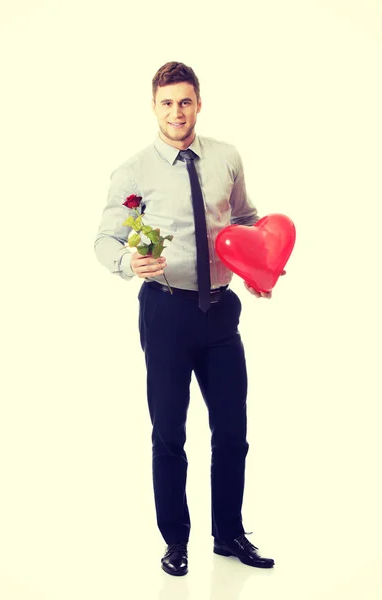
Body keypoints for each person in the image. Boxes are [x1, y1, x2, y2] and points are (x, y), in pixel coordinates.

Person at [94, 61, 282, 576]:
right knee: (168, 433)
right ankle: (176, 540)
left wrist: (262, 264)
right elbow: (105, 239)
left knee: (232, 429)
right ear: (153, 106)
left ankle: (229, 534)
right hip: (167, 311)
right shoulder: (134, 172)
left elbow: (244, 219)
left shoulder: (226, 157)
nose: (177, 112)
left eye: (185, 101)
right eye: (166, 103)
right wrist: (128, 262)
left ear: (199, 102)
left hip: (221, 313)